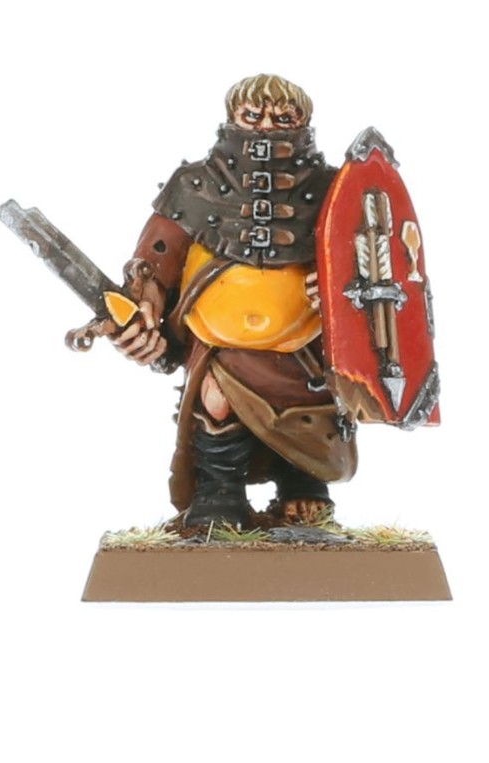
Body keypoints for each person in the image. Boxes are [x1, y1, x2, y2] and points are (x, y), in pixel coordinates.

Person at [111, 74, 357, 528]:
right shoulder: (195, 185)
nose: (266, 127)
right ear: (232, 118)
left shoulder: (334, 189)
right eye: (253, 115)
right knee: (216, 401)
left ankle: (304, 487)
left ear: (303, 123)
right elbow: (155, 259)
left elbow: (362, 261)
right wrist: (144, 303)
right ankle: (219, 496)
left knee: (310, 411)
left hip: (304, 346)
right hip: (219, 343)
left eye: (283, 118)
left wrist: (337, 287)